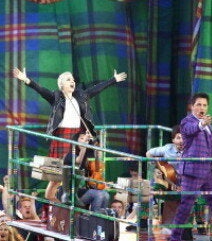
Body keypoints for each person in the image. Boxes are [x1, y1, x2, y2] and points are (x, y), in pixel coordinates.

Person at [13, 67, 127, 203]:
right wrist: (26, 79)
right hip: (62, 137)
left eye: (73, 79)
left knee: (74, 172)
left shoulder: (81, 96)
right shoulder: (56, 97)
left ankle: (68, 201)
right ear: (61, 85)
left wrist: (113, 80)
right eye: (68, 80)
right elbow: (41, 90)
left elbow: (96, 89)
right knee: (58, 175)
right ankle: (51, 199)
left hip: (76, 137)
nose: (72, 81)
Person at [167, 93, 212, 241]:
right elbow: (190, 131)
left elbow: (209, 147)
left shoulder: (209, 128)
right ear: (192, 106)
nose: (202, 108)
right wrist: (202, 123)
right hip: (192, 172)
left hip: (208, 172)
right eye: (199, 105)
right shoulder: (187, 121)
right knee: (185, 207)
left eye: (204, 105)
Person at [61, 132, 109, 212]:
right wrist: (84, 145)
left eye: (86, 140)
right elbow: (78, 161)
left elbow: (97, 166)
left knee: (106, 195)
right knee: (99, 194)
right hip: (70, 191)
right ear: (75, 141)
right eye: (81, 138)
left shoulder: (87, 157)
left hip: (82, 190)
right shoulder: (69, 155)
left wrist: (96, 146)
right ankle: (95, 218)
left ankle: (101, 220)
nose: (84, 141)